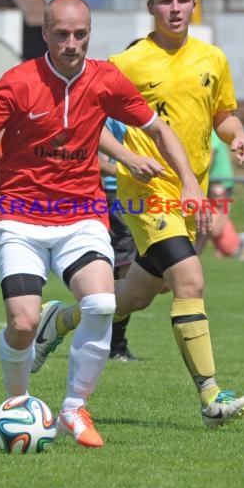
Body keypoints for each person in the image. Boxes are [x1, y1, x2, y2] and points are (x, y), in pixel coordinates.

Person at [0, 0, 209, 448]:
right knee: (24, 322)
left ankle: (72, 409)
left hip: (81, 215)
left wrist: (189, 180)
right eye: (62, 34)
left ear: (89, 34)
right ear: (45, 33)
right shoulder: (19, 82)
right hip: (20, 217)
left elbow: (158, 129)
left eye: (80, 35)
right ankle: (18, 403)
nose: (72, 43)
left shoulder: (106, 79)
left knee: (102, 303)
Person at [34, 0, 244, 429]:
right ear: (150, 6)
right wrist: (123, 159)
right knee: (190, 281)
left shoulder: (213, 58)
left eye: (182, 0)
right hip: (148, 194)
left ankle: (57, 320)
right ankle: (211, 396)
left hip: (189, 197)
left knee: (134, 296)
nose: (174, 9)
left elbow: (224, 118)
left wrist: (238, 138)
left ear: (194, 3)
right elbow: (82, 119)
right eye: (165, 1)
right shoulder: (128, 63)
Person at [99, 117, 138, 361]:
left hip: (146, 196)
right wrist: (130, 170)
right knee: (123, 271)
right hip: (117, 195)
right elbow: (96, 161)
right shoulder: (111, 116)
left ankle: (114, 343)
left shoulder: (152, 110)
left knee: (138, 274)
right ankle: (115, 345)